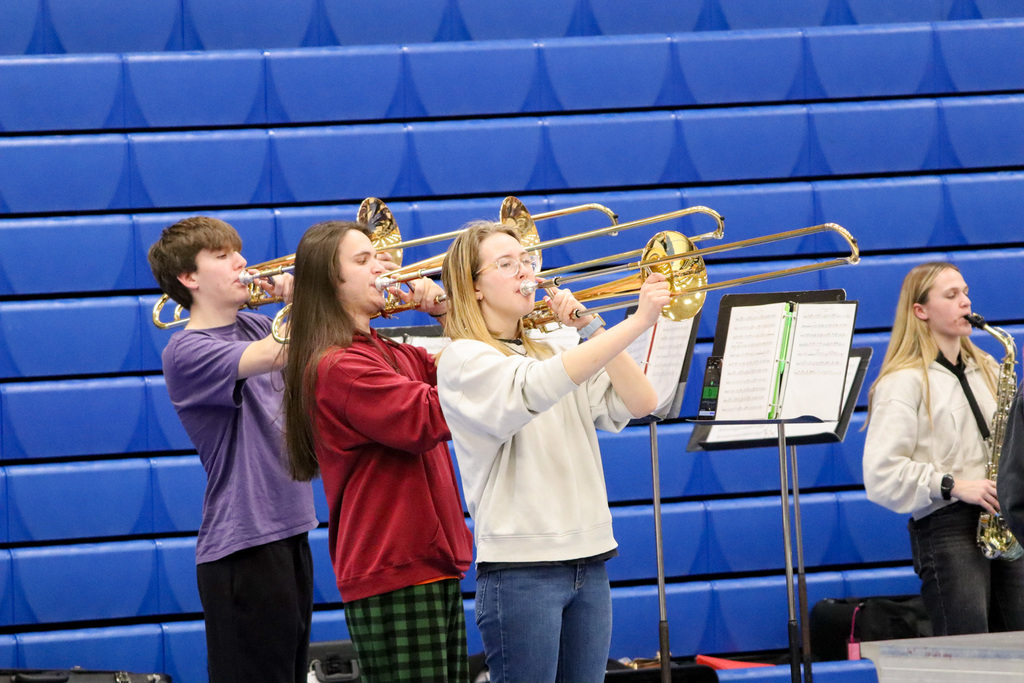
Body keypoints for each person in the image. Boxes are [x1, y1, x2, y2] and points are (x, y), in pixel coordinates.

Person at [435, 220, 670, 683]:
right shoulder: (463, 358)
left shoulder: (552, 347)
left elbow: (643, 402)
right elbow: (537, 387)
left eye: (526, 261)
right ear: (474, 286)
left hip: (591, 556)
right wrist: (638, 322)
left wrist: (591, 327)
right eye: (506, 265)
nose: (526, 272)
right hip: (521, 569)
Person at [282, 220, 474, 683]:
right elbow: (430, 416)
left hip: (429, 561)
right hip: (395, 565)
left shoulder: (391, 352)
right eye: (363, 260)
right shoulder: (339, 365)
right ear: (332, 280)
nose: (382, 267)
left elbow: (472, 371)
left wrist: (448, 313)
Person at [147, 216, 318, 683]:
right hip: (244, 543)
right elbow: (278, 353)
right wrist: (303, 299)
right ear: (189, 277)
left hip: (290, 528)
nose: (242, 261)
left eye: (237, 251)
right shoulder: (185, 350)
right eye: (222, 256)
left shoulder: (258, 323)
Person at [862, 261, 1024, 636]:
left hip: (1002, 519)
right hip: (947, 523)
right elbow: (881, 473)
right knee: (968, 648)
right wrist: (953, 485)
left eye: (965, 293)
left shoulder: (988, 366)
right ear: (921, 311)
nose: (965, 302)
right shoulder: (902, 382)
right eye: (951, 295)